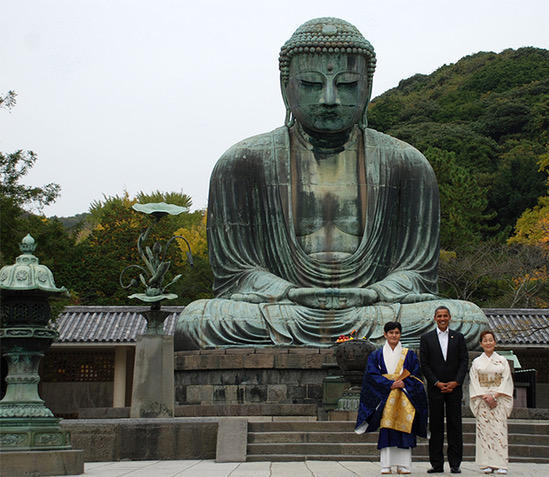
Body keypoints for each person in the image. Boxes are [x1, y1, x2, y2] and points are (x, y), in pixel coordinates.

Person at [175, 17, 489, 350]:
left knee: (468, 320)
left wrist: (375, 292)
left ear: (367, 88)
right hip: (286, 308)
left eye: (347, 84)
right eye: (311, 83)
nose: (329, 98)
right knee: (198, 320)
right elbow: (237, 273)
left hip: (375, 308)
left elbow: (417, 273)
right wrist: (288, 291)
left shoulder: (406, 164)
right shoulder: (242, 163)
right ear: (285, 87)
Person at [356, 321, 428, 474]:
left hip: (405, 396)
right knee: (387, 428)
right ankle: (386, 465)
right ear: (385, 334)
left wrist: (404, 383)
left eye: (397, 333)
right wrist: (389, 384)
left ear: (400, 334)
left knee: (405, 428)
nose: (394, 335)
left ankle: (404, 465)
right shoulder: (377, 354)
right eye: (391, 333)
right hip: (386, 395)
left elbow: (416, 375)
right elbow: (371, 376)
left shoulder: (409, 354)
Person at [419, 306, 468, 474]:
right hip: (435, 389)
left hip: (454, 388)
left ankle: (455, 463)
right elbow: (424, 364)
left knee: (455, 425)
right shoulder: (426, 338)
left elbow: (464, 361)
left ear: (449, 318)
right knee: (435, 426)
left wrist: (456, 382)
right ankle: (436, 463)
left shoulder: (458, 337)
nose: (442, 319)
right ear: (434, 318)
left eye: (445, 316)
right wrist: (436, 382)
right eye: (439, 316)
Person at [469, 330, 514, 474]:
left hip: (498, 399)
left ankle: (501, 464)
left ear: (495, 342)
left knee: (499, 431)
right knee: (484, 431)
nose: (488, 343)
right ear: (481, 344)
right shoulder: (477, 362)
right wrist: (485, 396)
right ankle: (486, 463)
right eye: (485, 340)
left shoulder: (502, 360)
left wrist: (495, 395)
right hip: (483, 399)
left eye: (490, 340)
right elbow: (474, 381)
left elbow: (506, 379)